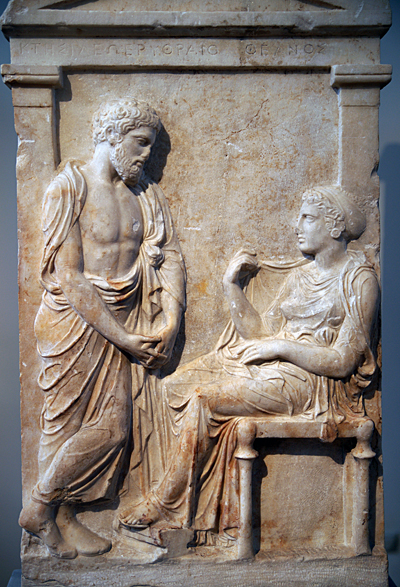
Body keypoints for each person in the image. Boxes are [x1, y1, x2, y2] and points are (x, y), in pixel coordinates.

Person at [119, 185, 379, 543]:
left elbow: (342, 361)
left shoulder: (359, 279)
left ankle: (168, 506)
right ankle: (189, 500)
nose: (296, 226)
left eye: (307, 218)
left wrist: (281, 346)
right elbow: (259, 335)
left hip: (312, 384)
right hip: (276, 367)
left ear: (334, 226)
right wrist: (232, 286)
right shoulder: (299, 277)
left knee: (204, 400)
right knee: (172, 386)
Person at [19, 99, 186, 558]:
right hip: (74, 323)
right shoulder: (69, 188)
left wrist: (171, 319)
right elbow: (70, 278)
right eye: (140, 143)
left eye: (151, 147)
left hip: (124, 322)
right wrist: (126, 338)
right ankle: (45, 512)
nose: (146, 155)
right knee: (65, 425)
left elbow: (168, 254)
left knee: (112, 430)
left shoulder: (144, 194)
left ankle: (56, 513)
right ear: (112, 136)